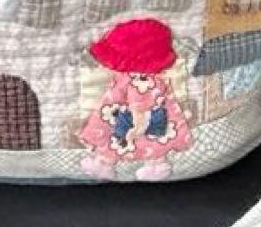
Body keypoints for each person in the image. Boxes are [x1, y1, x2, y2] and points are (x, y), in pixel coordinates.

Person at [79, 17, 194, 181]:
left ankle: (107, 163)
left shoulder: (139, 81)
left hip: (135, 119)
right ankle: (153, 164)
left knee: (122, 141)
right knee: (151, 143)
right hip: (129, 116)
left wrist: (138, 120)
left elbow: (140, 103)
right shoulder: (147, 79)